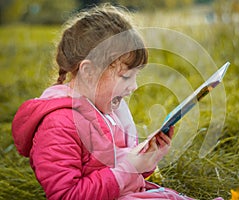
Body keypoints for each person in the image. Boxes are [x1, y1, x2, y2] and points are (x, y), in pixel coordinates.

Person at [12, 4, 194, 200]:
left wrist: (146, 159)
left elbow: (112, 170)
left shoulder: (106, 109)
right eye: (126, 77)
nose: (134, 87)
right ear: (89, 72)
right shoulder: (58, 125)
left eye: (135, 76)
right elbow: (67, 195)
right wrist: (129, 168)